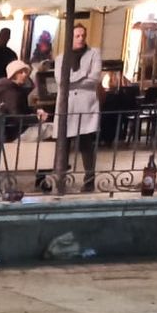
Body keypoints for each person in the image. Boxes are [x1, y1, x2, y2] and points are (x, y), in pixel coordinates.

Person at [56, 21, 104, 192]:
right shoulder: (61, 58)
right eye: (77, 36)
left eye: (83, 35)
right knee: (64, 143)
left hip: (86, 105)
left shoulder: (94, 54)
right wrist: (83, 74)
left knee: (86, 144)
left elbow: (94, 79)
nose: (80, 39)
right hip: (67, 105)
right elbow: (61, 81)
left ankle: (89, 180)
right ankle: (60, 179)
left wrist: (74, 79)